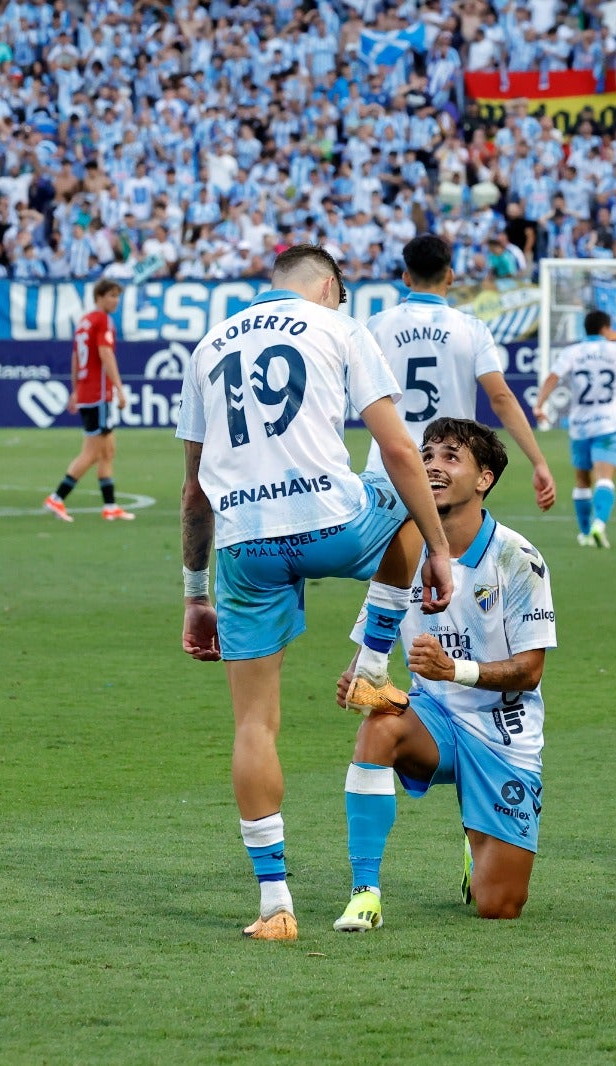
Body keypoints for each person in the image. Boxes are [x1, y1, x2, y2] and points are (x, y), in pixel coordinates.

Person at [175, 245, 453, 942]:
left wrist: (193, 594)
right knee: (412, 499)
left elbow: (193, 491)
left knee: (253, 725)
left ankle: (274, 904)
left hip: (244, 548)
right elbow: (397, 450)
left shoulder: (207, 348)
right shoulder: (339, 327)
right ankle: (371, 664)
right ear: (330, 286)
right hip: (333, 523)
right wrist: (438, 548)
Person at [332, 418, 555, 932]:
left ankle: (475, 834)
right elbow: (371, 649)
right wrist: (355, 680)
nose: (432, 464)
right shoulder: (401, 552)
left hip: (503, 735)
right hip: (431, 719)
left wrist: (456, 669)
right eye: (427, 454)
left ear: (485, 479)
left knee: (499, 906)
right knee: (378, 722)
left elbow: (531, 671)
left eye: (451, 457)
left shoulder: (517, 559)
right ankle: (364, 893)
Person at [364, 234, 556, 514]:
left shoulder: (377, 326)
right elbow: (501, 397)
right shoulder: (471, 329)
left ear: (406, 277)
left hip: (388, 470)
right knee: (449, 556)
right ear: (450, 275)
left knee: (393, 558)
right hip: (450, 469)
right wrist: (538, 462)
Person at [532, 310, 616, 548]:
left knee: (582, 480)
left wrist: (539, 404)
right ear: (606, 328)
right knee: (605, 479)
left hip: (580, 426)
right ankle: (599, 525)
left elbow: (553, 377)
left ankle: (585, 534)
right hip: (607, 423)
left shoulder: (571, 352)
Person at [43, 280, 134, 522]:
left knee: (108, 450)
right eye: (112, 296)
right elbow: (106, 354)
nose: (116, 301)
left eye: (118, 296)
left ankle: (110, 506)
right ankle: (57, 497)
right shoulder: (102, 320)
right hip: (97, 394)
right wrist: (119, 389)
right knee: (92, 452)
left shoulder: (84, 321)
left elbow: (75, 357)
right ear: (100, 296)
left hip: (87, 392)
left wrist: (75, 390)